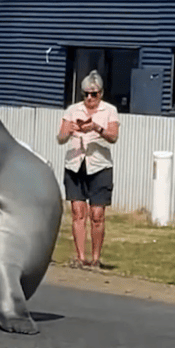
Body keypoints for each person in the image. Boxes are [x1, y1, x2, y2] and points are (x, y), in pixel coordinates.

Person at [56, 70, 120, 269]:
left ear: (101, 93)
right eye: (86, 95)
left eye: (94, 94)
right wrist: (68, 131)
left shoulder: (109, 110)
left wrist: (96, 128)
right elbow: (60, 138)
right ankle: (80, 256)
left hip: (99, 165)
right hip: (75, 163)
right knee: (77, 211)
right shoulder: (73, 110)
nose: (90, 99)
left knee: (97, 214)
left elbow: (113, 136)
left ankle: (96, 258)